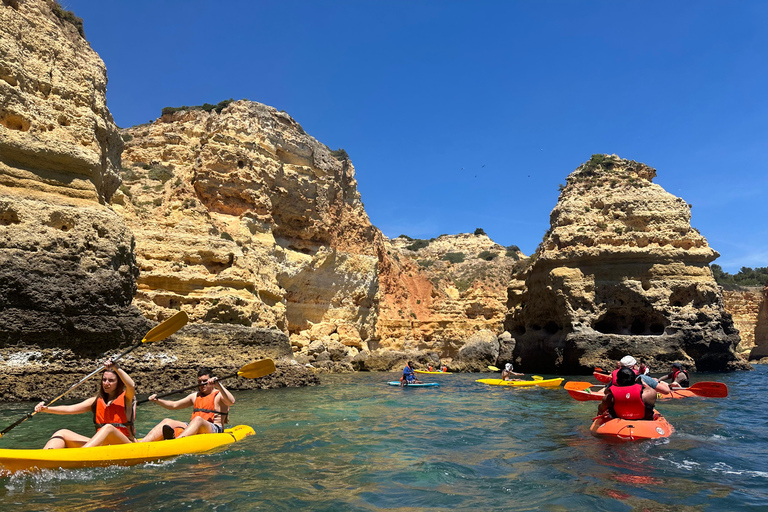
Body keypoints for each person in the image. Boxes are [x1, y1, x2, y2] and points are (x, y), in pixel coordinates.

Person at [34, 359, 136, 449]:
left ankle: (82, 453)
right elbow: (70, 409)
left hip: (123, 444)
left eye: (111, 380)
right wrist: (46, 409)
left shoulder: (126, 398)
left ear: (118, 383)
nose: (106, 383)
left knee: (108, 428)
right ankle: (45, 457)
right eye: (104, 380)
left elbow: (131, 385)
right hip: (102, 445)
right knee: (62, 433)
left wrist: (116, 367)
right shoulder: (95, 401)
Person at [141, 367, 235, 441]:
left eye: (205, 381)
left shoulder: (219, 394)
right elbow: (174, 405)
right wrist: (157, 400)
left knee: (198, 419)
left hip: (214, 429)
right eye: (199, 382)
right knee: (167, 421)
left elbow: (231, 402)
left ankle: (177, 442)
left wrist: (218, 385)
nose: (202, 384)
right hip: (195, 425)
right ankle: (142, 442)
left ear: (211, 381)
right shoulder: (194, 396)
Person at [597, 367, 672, 421]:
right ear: (635, 380)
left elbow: (601, 410)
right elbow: (650, 390)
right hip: (644, 425)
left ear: (618, 381)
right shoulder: (649, 395)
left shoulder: (609, 399)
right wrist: (643, 383)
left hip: (618, 424)